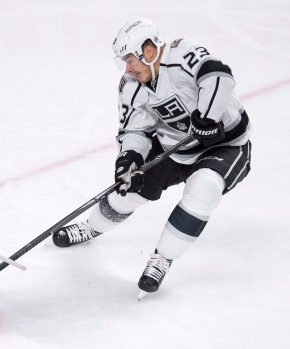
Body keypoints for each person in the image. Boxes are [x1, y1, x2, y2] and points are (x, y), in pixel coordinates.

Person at [52, 19, 252, 299]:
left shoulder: (182, 52)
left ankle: (162, 258)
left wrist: (208, 116)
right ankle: (92, 227)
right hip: (175, 145)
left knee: (204, 187)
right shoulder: (130, 85)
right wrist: (128, 159)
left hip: (226, 144)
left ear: (148, 51)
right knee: (128, 191)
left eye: (130, 60)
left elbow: (219, 77)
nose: (128, 68)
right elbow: (134, 128)